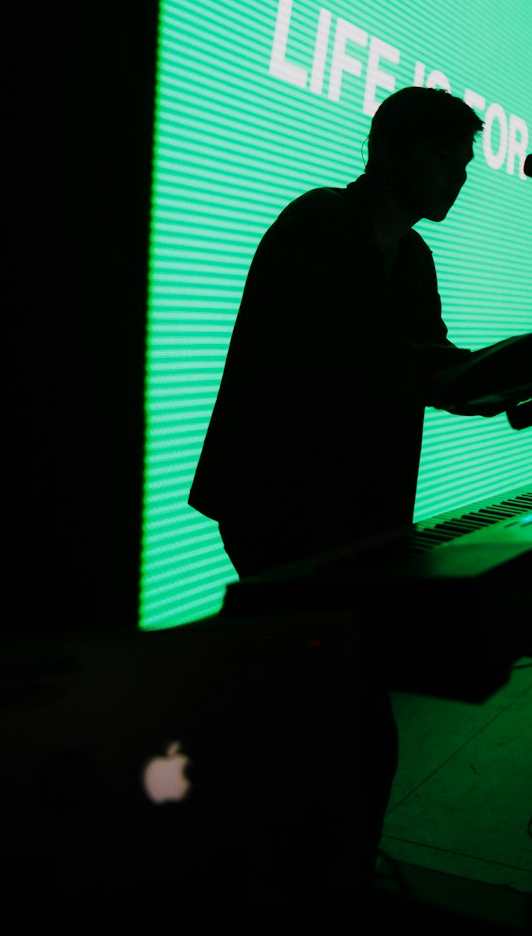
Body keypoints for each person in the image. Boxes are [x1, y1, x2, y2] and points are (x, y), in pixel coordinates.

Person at [188, 85, 484, 886]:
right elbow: (338, 361)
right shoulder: (313, 225)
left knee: (330, 720)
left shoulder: (414, 257)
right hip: (277, 508)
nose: (461, 178)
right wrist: (458, 372)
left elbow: (431, 362)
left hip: (355, 520)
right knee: (345, 725)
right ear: (392, 152)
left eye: (465, 165)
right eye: (448, 161)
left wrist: (529, 382)